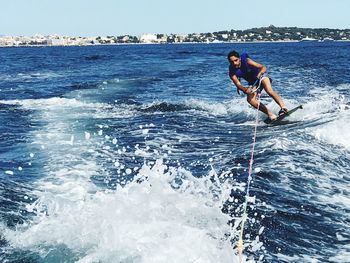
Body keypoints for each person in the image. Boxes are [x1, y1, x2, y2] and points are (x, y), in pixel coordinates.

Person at [227, 50, 287, 121]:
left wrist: (260, 73)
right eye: (231, 62)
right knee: (250, 100)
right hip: (253, 82)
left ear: (239, 58)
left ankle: (283, 108)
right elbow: (238, 84)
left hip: (262, 76)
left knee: (269, 90)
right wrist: (245, 90)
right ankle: (271, 115)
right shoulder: (232, 72)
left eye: (236, 60)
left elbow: (263, 67)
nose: (234, 63)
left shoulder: (247, 61)